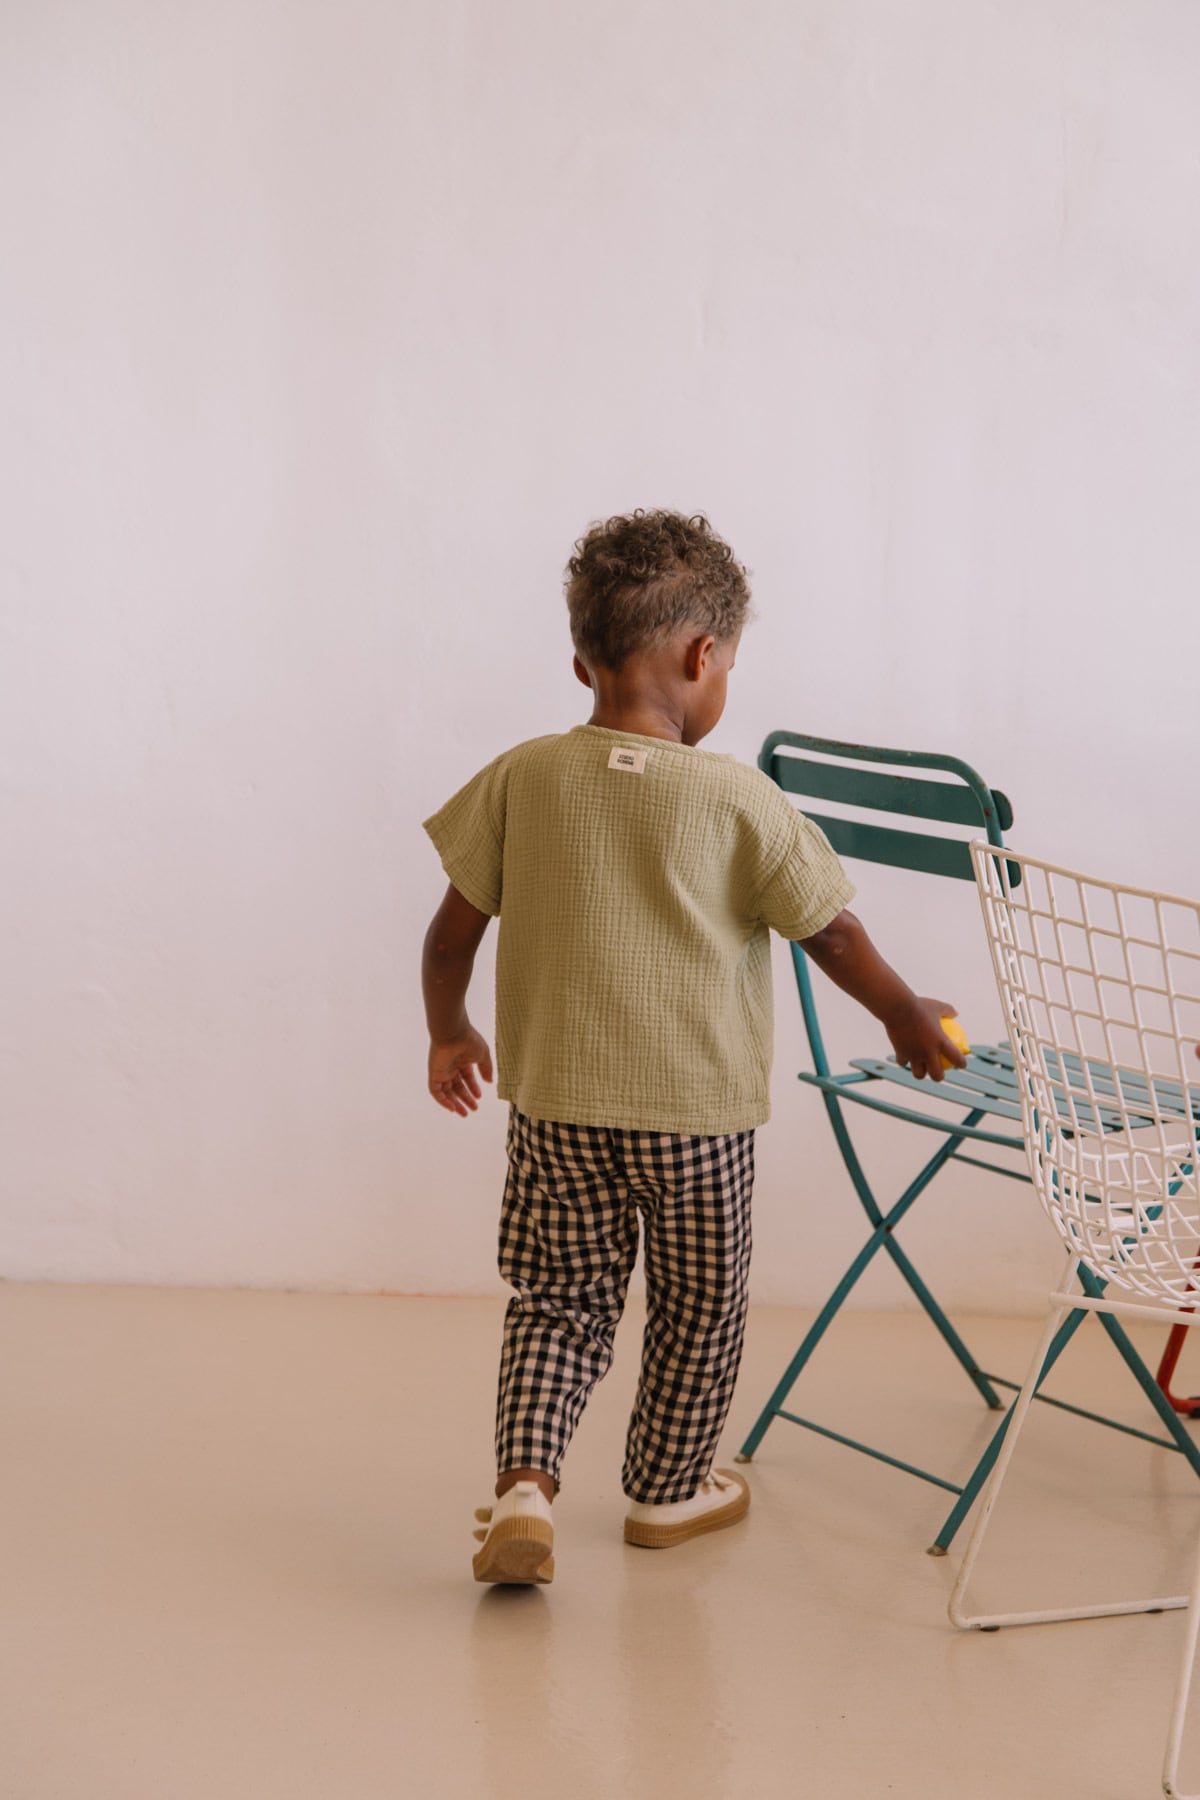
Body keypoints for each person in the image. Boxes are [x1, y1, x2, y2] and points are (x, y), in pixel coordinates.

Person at [421, 509, 965, 1586]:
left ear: (581, 659)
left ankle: (525, 1489)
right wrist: (904, 1011)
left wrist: (451, 1032)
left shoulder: (523, 775)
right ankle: (668, 1492)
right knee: (697, 1308)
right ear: (703, 656)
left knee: (558, 1301)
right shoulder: (739, 798)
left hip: (557, 1111)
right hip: (698, 1125)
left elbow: (450, 934)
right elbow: (832, 934)